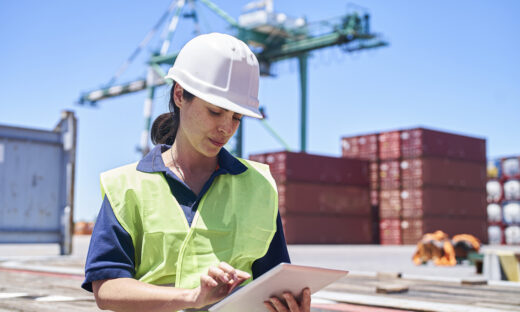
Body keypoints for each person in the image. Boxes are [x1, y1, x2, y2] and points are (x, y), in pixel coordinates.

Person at [82, 32, 311, 312]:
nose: (226, 129)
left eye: (236, 117)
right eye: (215, 112)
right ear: (179, 95)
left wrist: (287, 305)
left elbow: (272, 282)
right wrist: (193, 297)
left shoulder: (259, 185)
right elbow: (106, 288)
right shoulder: (126, 187)